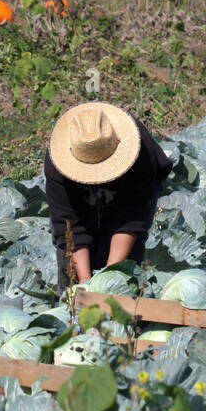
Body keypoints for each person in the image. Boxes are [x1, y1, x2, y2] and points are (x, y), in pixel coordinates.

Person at [44, 101, 174, 293]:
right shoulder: (57, 165)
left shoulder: (140, 151)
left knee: (123, 283)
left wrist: (108, 279)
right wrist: (86, 284)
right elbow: (68, 225)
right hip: (79, 215)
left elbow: (131, 218)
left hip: (128, 201)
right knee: (72, 290)